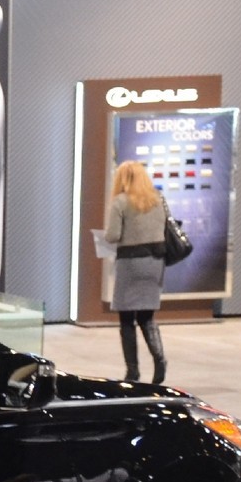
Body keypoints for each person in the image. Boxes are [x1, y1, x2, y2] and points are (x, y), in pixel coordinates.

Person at [102, 160, 169, 386]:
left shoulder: (120, 202)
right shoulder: (158, 199)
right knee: (147, 317)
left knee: (127, 320)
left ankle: (133, 372)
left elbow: (112, 235)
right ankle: (160, 360)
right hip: (155, 263)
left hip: (130, 264)